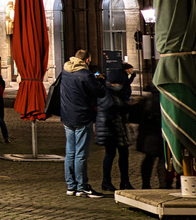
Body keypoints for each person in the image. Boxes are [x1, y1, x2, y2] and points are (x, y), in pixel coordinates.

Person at [48, 50, 105, 197]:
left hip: (67, 117)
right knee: (81, 153)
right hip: (82, 117)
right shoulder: (86, 75)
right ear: (87, 60)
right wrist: (99, 78)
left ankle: (71, 186)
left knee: (70, 153)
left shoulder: (65, 71)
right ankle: (82, 187)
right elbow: (100, 92)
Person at [97, 65, 133, 193]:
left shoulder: (113, 92)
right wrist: (126, 106)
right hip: (110, 131)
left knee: (122, 154)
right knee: (111, 155)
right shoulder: (107, 93)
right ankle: (106, 181)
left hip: (115, 129)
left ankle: (124, 181)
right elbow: (111, 108)